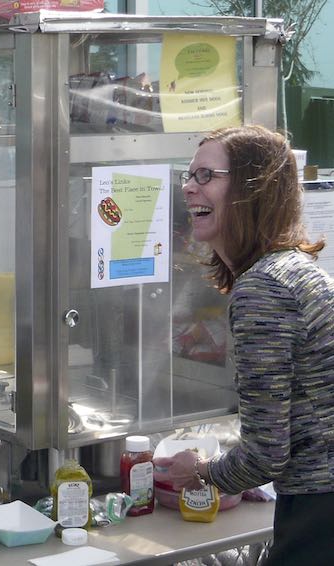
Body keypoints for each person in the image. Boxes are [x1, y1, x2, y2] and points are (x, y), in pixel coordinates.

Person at [154, 125, 334, 565]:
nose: (188, 188)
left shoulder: (264, 289)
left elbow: (267, 455)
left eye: (205, 176)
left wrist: (199, 471)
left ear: (252, 191)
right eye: (187, 175)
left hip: (320, 506)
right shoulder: (295, 267)